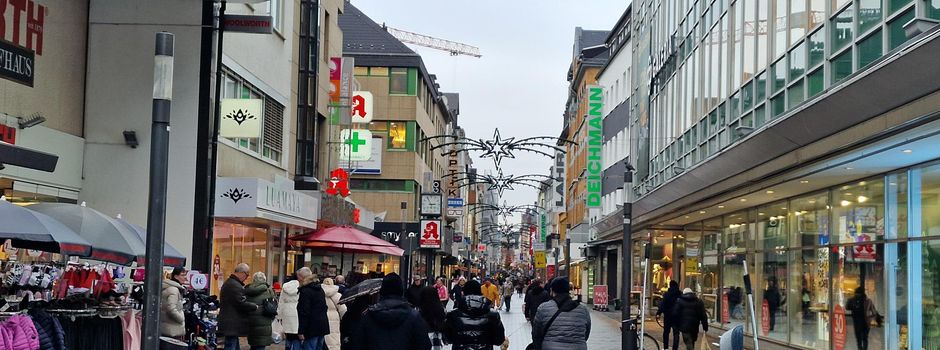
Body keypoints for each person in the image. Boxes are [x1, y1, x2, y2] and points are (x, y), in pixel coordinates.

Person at [354, 273, 432, 349]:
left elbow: (356, 344)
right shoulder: (414, 317)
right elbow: (424, 345)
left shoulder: (368, 316)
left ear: (382, 291)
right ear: (401, 291)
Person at [443, 280, 506, 350]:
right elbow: (499, 340)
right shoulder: (493, 315)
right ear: (480, 291)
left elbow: (447, 339)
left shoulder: (452, 315)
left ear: (463, 292)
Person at [531, 278, 590, 350]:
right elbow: (586, 332)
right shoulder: (583, 310)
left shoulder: (543, 308)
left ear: (552, 290)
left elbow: (536, 333)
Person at [219, 263, 259, 350]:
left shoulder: (231, 283)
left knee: (233, 344)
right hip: (232, 324)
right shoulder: (234, 285)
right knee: (231, 345)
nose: (247, 277)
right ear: (242, 273)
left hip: (231, 324)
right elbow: (240, 302)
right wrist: (254, 306)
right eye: (247, 274)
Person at [296, 267, 330, 350]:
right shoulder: (319, 289)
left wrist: (301, 331)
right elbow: (324, 307)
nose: (298, 279)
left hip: (311, 328)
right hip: (322, 325)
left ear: (302, 277)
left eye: (298, 277)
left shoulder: (305, 291)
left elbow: (304, 312)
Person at [245, 272, 276, 350]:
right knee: (261, 345)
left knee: (254, 345)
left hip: (251, 322)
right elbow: (274, 304)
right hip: (265, 321)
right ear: (264, 279)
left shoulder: (248, 290)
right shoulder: (269, 290)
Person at [160, 266, 187, 339]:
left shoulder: (170, 288)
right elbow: (171, 309)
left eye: (185, 275)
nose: (185, 277)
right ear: (176, 276)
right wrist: (181, 319)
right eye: (182, 275)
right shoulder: (174, 290)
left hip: (167, 328)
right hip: (173, 330)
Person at [322, 278, 347, 350]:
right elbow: (343, 311)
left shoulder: (319, 293)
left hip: (322, 319)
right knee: (333, 341)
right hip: (334, 320)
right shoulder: (338, 295)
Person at [277, 279, 301, 350]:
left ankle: (288, 348)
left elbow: (281, 303)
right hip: (297, 313)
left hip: (286, 313)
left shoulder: (285, 289)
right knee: (296, 336)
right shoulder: (301, 288)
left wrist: (279, 316)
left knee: (289, 335)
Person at [656, 281, 681, 350]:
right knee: (676, 333)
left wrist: (658, 313)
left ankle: (666, 348)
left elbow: (662, 305)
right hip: (677, 317)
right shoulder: (680, 294)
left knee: (666, 333)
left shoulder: (667, 294)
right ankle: (675, 348)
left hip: (668, 317)